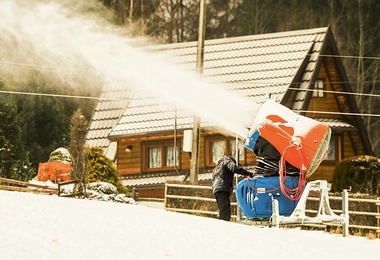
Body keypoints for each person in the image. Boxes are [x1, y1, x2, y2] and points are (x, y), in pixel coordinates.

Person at [212, 156, 253, 221]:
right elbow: (234, 168)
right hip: (223, 188)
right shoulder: (227, 162)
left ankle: (222, 223)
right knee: (225, 211)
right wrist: (248, 173)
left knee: (222, 209)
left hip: (216, 189)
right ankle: (224, 226)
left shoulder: (216, 167)